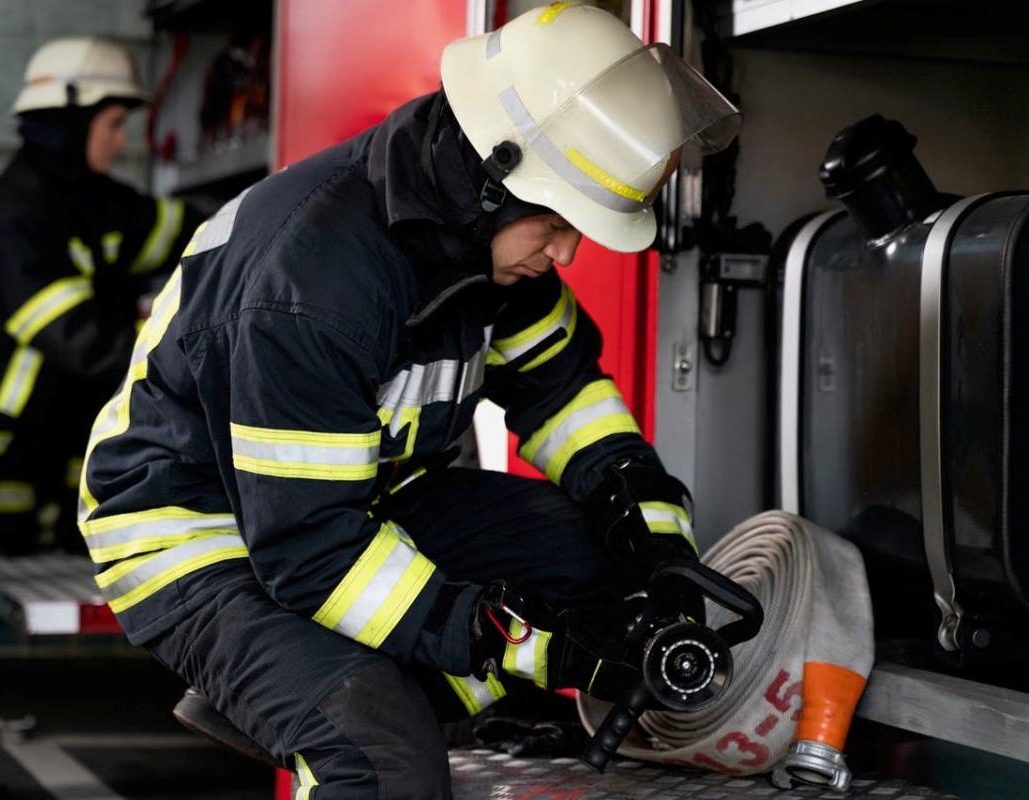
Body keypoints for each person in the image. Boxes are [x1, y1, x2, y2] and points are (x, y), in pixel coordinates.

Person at [81, 4, 741, 797]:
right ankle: (316, 695)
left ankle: (315, 688)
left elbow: (568, 401)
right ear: (491, 182)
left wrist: (657, 549)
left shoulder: (475, 249)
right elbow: (312, 556)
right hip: (200, 539)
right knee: (385, 763)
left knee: (593, 558)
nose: (566, 251)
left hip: (344, 510)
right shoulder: (315, 289)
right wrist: (526, 647)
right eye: (557, 222)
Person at [0, 37, 204, 799]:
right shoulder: (22, 210)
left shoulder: (82, 197)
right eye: (111, 122)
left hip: (1, 430)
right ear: (68, 119)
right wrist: (201, 369)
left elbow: (178, 228)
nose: (120, 139)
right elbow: (78, 341)